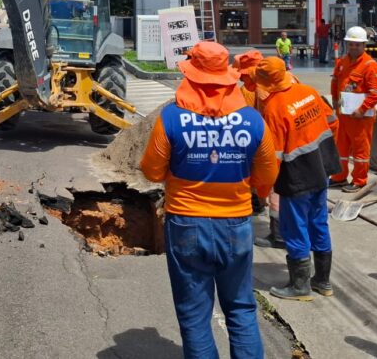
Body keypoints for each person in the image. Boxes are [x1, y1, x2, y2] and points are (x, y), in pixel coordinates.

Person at [140, 41, 279, 359]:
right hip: (236, 226)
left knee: (194, 316)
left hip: (186, 224)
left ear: (190, 75)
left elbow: (151, 171)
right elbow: (268, 177)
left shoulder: (172, 118)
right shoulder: (252, 120)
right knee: (242, 309)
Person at [254, 57, 341, 301]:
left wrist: (262, 188)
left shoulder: (274, 108)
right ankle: (323, 281)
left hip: (298, 175)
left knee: (295, 228)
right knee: (319, 221)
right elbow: (332, 122)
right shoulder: (308, 91)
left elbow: (274, 157)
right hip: (322, 166)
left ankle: (300, 286)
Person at [234, 50, 285, 250]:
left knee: (274, 190)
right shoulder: (269, 85)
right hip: (284, 146)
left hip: (278, 148)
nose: (243, 79)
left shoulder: (263, 91)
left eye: (245, 76)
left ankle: (280, 235)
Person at [330, 26, 377, 193]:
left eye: (357, 44)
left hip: (361, 118)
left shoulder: (370, 65)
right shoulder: (342, 62)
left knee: (361, 150)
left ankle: (359, 181)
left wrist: (362, 110)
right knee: (341, 148)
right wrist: (334, 102)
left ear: (364, 45)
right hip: (343, 114)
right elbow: (336, 82)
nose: (353, 47)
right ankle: (339, 177)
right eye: (351, 44)